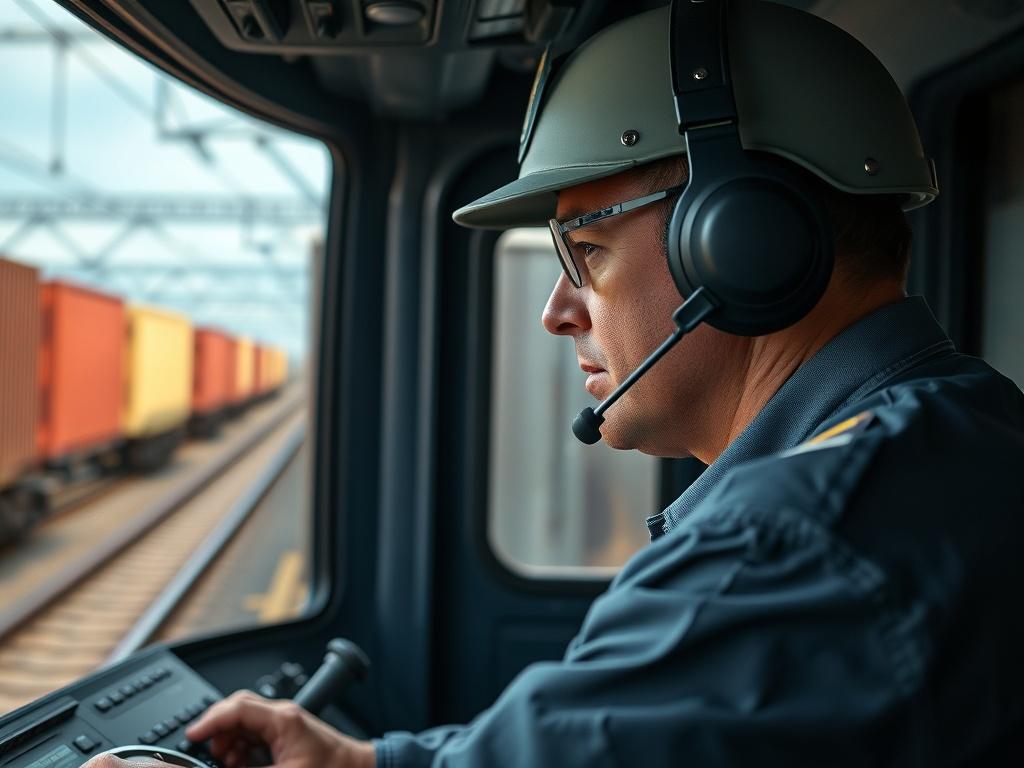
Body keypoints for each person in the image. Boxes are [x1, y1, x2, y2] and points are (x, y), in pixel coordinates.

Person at [88, 1, 1024, 766]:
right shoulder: (966, 425)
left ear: (744, 244)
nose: (557, 311)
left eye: (586, 252)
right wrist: (359, 765)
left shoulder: (788, 543)